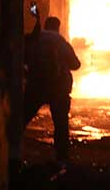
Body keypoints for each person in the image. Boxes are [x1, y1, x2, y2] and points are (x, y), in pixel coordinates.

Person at [22, 15, 82, 163]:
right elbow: (76, 64)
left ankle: (12, 153)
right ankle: (61, 158)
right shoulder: (61, 42)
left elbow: (22, 58)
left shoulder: (34, 39)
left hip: (36, 87)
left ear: (46, 26)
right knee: (61, 124)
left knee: (21, 119)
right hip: (59, 89)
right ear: (58, 27)